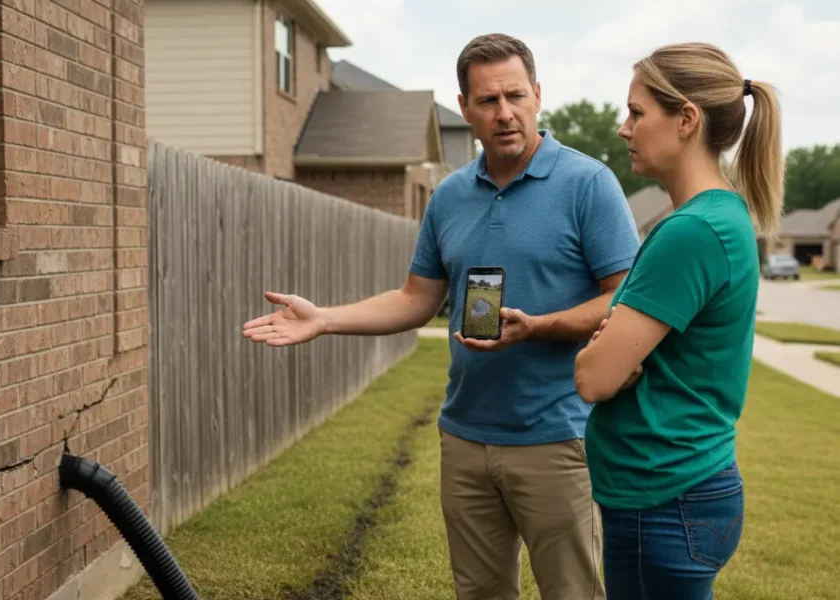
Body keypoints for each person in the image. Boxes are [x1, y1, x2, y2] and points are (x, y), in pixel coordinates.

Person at [243, 33, 640, 599]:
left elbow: (623, 300)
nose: (504, 113)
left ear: (537, 96)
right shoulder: (449, 197)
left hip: (555, 437)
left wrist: (539, 327)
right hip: (464, 437)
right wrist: (324, 318)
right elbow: (415, 298)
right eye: (487, 101)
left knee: (572, 592)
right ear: (465, 109)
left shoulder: (588, 184)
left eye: (515, 96)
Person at [574, 42, 784, 600]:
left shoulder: (693, 232)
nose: (623, 128)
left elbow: (593, 377)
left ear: (686, 120)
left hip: (664, 499)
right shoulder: (718, 215)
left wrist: (610, 352)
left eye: (637, 112)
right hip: (679, 492)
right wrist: (618, 351)